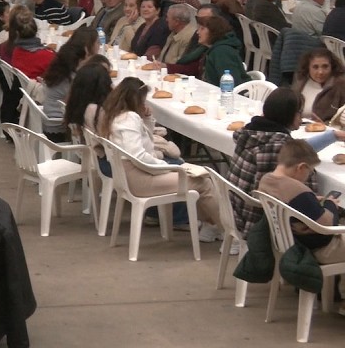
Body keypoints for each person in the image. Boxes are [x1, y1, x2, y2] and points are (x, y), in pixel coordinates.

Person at [97, 77, 222, 239]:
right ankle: (227, 230)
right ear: (136, 100)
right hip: (140, 178)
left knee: (195, 178)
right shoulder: (129, 118)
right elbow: (138, 155)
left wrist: (147, 120)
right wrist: (166, 166)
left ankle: (211, 225)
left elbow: (145, 143)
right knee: (203, 182)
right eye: (143, 100)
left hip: (129, 176)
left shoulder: (115, 116)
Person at [230, 89, 345, 234]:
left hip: (236, 213)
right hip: (261, 227)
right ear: (289, 115)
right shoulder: (276, 148)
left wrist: (333, 136)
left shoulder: (252, 134)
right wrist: (329, 205)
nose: (302, 117)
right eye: (300, 112)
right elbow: (311, 216)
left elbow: (295, 148)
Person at [256, 140, 345, 264]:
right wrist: (331, 204)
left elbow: (291, 201)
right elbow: (328, 224)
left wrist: (312, 200)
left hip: (287, 241)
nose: (308, 176)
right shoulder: (298, 191)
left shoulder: (266, 180)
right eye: (310, 171)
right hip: (320, 249)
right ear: (301, 167)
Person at [39, 39, 92, 143]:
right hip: (59, 125)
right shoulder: (71, 79)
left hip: (48, 118)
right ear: (79, 61)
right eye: (86, 57)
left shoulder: (56, 72)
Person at [192, 15, 249, 86]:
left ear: (213, 31)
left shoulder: (222, 52)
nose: (198, 32)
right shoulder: (215, 50)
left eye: (202, 29)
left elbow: (232, 84)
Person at [292, 48, 345, 118]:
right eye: (315, 67)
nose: (320, 72)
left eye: (325, 66)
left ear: (332, 66)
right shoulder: (299, 82)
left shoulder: (340, 85)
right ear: (308, 67)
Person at [5, 9, 56, 80]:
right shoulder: (48, 56)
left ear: (17, 33)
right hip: (40, 86)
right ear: (36, 30)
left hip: (25, 85)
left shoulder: (16, 51)